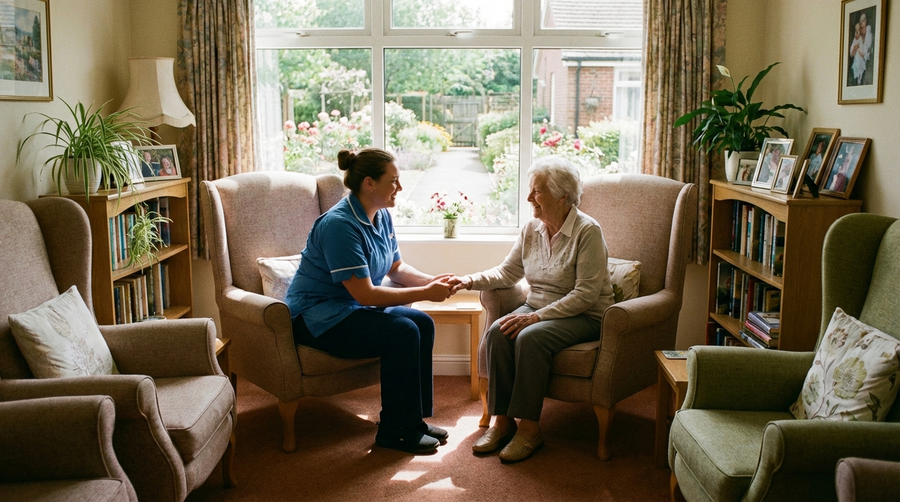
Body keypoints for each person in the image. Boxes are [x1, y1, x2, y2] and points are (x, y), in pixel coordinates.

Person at [284, 148, 455, 455]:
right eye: (394, 181)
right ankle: (394, 431)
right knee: (402, 331)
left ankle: (412, 421)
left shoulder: (382, 215)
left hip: (350, 309)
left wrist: (433, 282)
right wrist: (426, 293)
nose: (400, 187)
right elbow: (365, 294)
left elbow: (396, 268)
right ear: (369, 183)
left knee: (421, 322)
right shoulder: (339, 225)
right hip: (316, 318)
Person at [450, 155, 614, 463]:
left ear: (562, 196)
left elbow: (586, 294)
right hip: (537, 307)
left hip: (584, 315)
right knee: (498, 331)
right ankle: (503, 421)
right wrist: (468, 280)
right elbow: (507, 272)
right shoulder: (531, 229)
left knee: (530, 337)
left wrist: (535, 317)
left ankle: (529, 428)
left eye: (536, 191)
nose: (528, 198)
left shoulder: (588, 231)